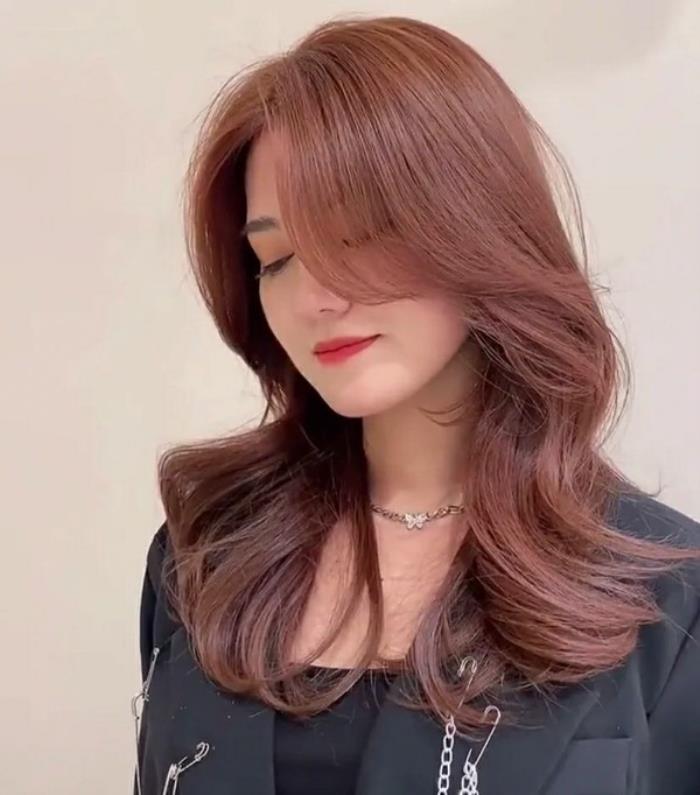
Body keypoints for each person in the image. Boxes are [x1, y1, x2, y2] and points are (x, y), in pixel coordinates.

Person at [131, 15, 700, 795]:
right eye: (276, 257)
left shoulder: (664, 594)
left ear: (477, 226)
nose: (315, 296)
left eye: (357, 235)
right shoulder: (205, 556)